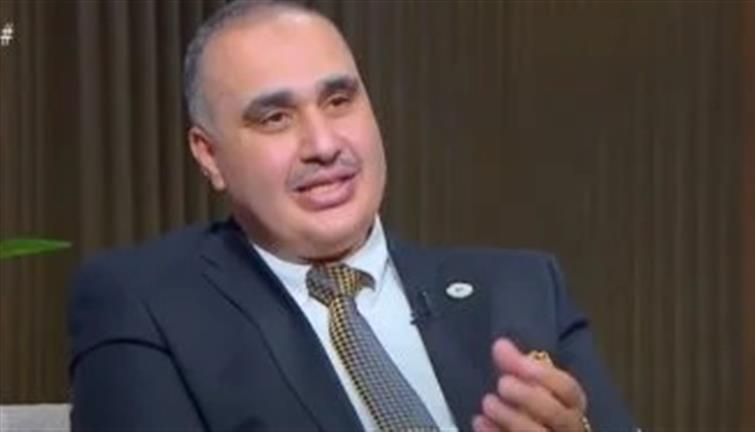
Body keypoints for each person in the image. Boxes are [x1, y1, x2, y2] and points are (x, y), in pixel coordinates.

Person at [68, 1, 636, 431]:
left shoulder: (522, 288)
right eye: (274, 117)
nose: (323, 144)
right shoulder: (148, 304)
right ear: (209, 155)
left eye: (339, 101)